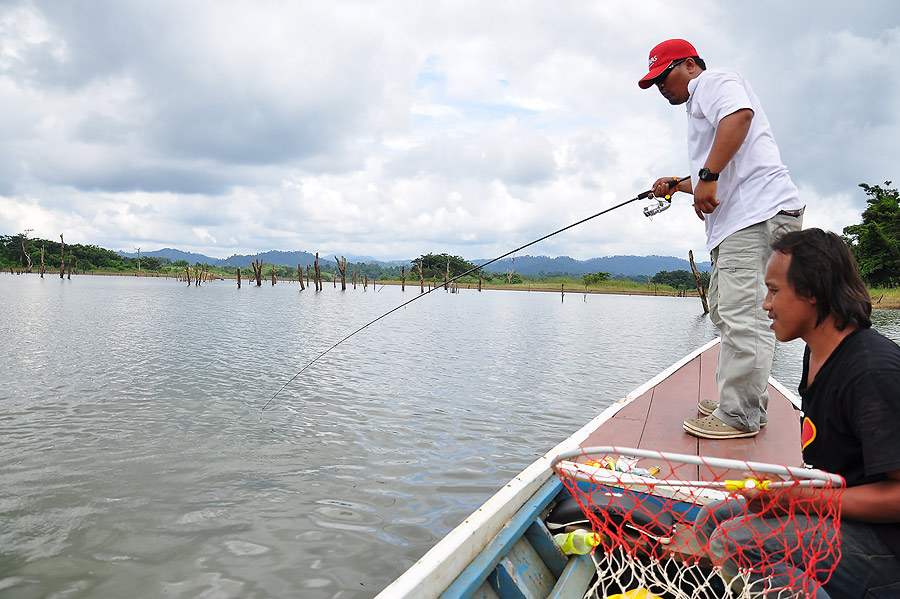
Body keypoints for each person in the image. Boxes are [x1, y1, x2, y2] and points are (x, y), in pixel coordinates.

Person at [694, 229, 900, 597]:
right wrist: (788, 493)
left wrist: (800, 499)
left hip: (886, 549)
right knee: (712, 517)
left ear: (812, 292)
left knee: (734, 539)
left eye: (774, 290)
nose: (765, 304)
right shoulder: (816, 352)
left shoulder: (871, 373)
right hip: (842, 514)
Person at [638, 39, 805, 439]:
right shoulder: (702, 100)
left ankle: (739, 415)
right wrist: (679, 185)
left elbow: (739, 116)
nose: (661, 87)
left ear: (690, 65)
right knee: (730, 313)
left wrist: (707, 177)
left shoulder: (713, 82)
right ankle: (742, 401)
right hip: (747, 220)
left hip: (754, 218)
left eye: (664, 76)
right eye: (654, 82)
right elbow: (721, 167)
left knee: (743, 316)